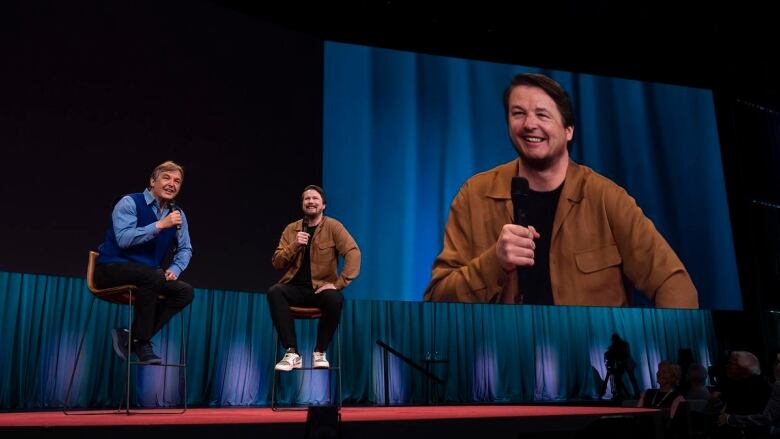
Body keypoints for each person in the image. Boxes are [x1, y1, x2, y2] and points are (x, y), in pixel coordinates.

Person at [423, 73, 698, 307]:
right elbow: (437, 299)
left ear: (568, 130)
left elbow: (674, 284)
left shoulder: (607, 198)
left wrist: (664, 357)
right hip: (501, 362)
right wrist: (494, 263)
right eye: (518, 113)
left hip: (591, 365)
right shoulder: (474, 195)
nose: (529, 124)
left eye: (542, 114)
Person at [95, 160, 194, 365]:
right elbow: (124, 239)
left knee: (185, 291)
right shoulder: (129, 202)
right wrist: (159, 225)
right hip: (111, 268)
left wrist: (175, 268)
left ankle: (130, 338)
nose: (172, 184)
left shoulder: (177, 215)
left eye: (177, 181)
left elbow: (185, 248)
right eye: (166, 178)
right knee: (153, 275)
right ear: (152, 181)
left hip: (149, 275)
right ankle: (141, 342)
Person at [268, 185, 360, 371]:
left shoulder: (333, 226)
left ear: (323, 205)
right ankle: (292, 352)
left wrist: (339, 283)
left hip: (320, 289)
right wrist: (295, 245)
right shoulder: (291, 229)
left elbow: (353, 252)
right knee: (275, 292)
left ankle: (320, 351)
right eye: (306, 199)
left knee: (335, 298)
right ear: (302, 204)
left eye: (315, 198)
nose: (310, 201)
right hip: (295, 288)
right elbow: (277, 263)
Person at [599, 333, 641, 400]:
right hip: (624, 363)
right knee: (619, 378)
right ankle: (621, 394)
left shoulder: (622, 345)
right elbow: (612, 354)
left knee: (631, 378)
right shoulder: (617, 345)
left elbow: (625, 354)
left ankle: (635, 393)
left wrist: (615, 355)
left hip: (627, 362)